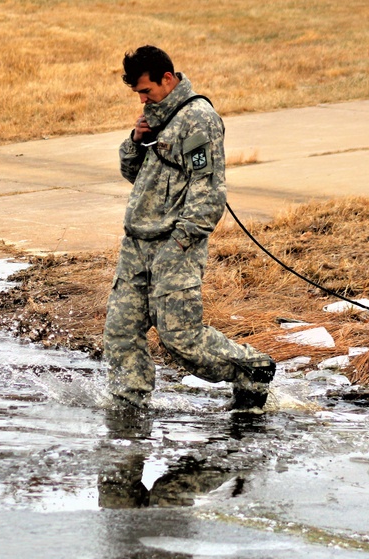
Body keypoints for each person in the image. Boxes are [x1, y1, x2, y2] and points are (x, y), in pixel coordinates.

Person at [103, 45, 275, 411]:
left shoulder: (198, 118)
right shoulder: (156, 116)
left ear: (168, 78)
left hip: (174, 244)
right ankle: (128, 407)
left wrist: (181, 241)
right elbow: (135, 175)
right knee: (120, 333)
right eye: (138, 93)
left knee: (180, 339)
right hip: (137, 243)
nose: (143, 98)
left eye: (146, 90)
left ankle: (253, 368)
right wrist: (136, 141)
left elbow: (209, 190)